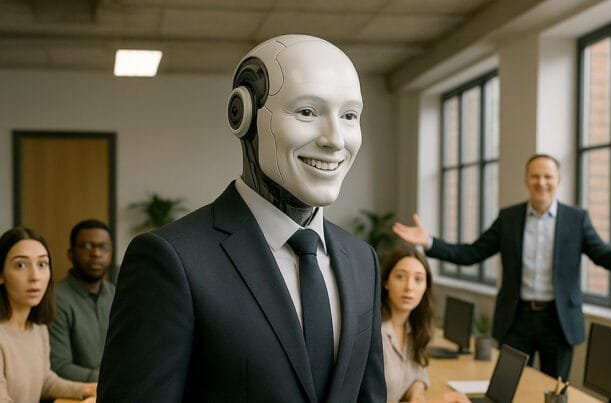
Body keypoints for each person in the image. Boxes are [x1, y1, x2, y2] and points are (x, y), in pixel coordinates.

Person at [98, 34, 384, 403]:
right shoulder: (171, 261)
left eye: (349, 116)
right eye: (307, 112)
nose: (335, 139)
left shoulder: (362, 260)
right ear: (242, 114)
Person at [393, 154, 611, 379]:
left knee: (555, 391)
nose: (541, 182)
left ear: (558, 181)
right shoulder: (509, 218)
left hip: (558, 321)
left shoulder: (576, 219)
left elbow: (602, 256)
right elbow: (472, 253)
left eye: (548, 177)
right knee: (511, 385)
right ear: (526, 180)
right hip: (516, 318)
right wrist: (428, 241)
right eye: (535, 176)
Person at [0, 226, 97, 403]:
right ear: (1, 274)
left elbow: (45, 381)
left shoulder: (38, 328)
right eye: (21, 265)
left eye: (42, 264)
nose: (35, 276)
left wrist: (87, 388)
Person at [380, 246, 470, 403]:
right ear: (386, 282)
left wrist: (416, 393)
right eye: (400, 277)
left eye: (418, 279)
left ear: (425, 287)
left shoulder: (415, 328)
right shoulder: (373, 332)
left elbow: (418, 374)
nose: (409, 287)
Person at [49, 219, 115, 382]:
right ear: (71, 254)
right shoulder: (55, 299)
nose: (96, 253)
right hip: (76, 393)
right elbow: (59, 366)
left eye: (104, 247)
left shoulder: (116, 293)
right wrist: (109, 381)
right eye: (87, 246)